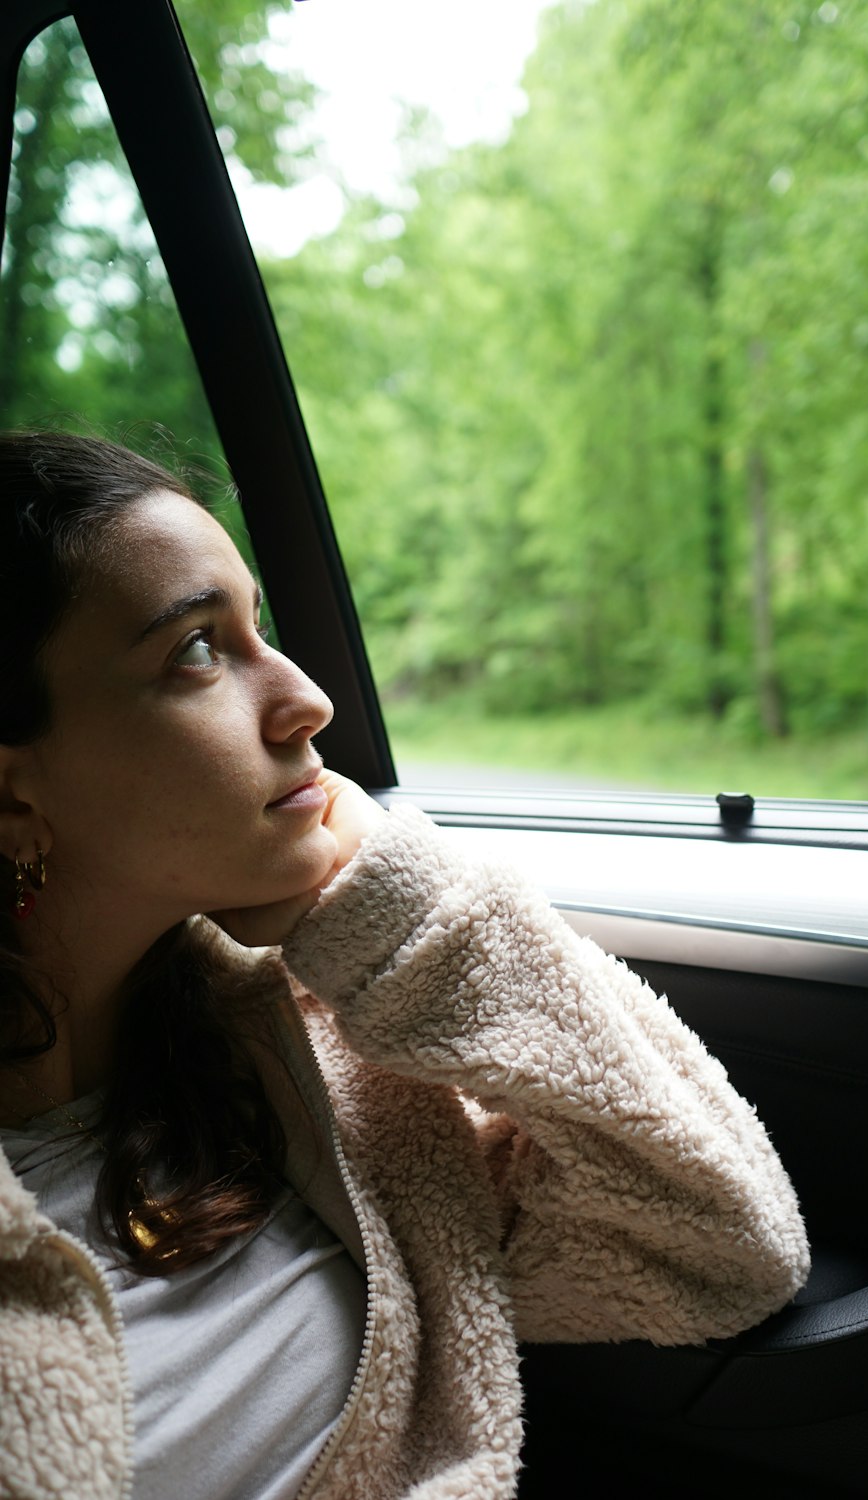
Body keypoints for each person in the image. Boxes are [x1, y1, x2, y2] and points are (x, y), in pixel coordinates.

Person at [0, 430, 810, 1500]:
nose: (305, 700)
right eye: (197, 649)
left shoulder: (296, 1068)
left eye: (262, 629)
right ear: (14, 795)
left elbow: (721, 1246)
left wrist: (395, 914)